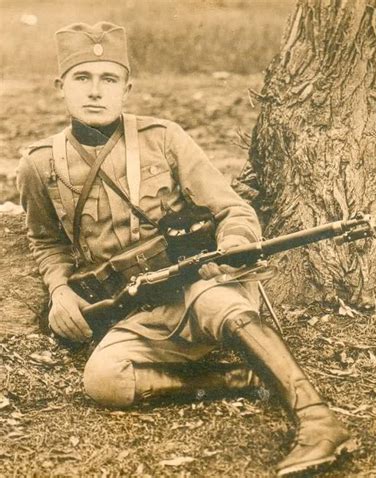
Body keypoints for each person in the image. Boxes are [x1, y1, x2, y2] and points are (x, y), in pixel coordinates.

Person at [16, 22, 350, 477]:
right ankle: (249, 378)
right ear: (61, 87)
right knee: (103, 381)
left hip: (193, 286)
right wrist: (59, 291)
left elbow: (232, 209)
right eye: (82, 78)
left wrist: (233, 244)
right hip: (128, 310)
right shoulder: (40, 163)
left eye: (108, 79)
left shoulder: (164, 138)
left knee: (221, 301)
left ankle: (317, 420)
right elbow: (45, 240)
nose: (95, 91)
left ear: (126, 88)